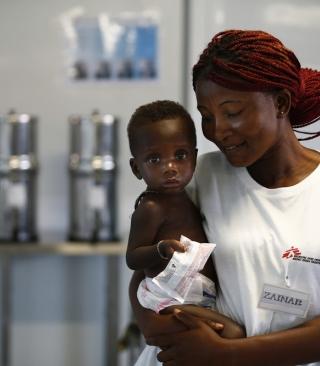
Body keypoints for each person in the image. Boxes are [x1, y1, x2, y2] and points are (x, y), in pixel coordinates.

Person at [129, 29, 320, 366]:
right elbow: (146, 279)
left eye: (232, 112)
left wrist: (228, 354)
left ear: (281, 103)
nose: (217, 131)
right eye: (206, 116)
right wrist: (161, 332)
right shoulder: (200, 176)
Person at [127, 100, 245, 365]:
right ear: (137, 168)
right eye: (155, 159)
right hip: (168, 298)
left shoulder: (191, 193)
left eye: (180, 156)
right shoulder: (151, 207)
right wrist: (161, 250)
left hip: (193, 295)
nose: (170, 167)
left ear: (193, 155)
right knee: (233, 332)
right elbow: (132, 258)